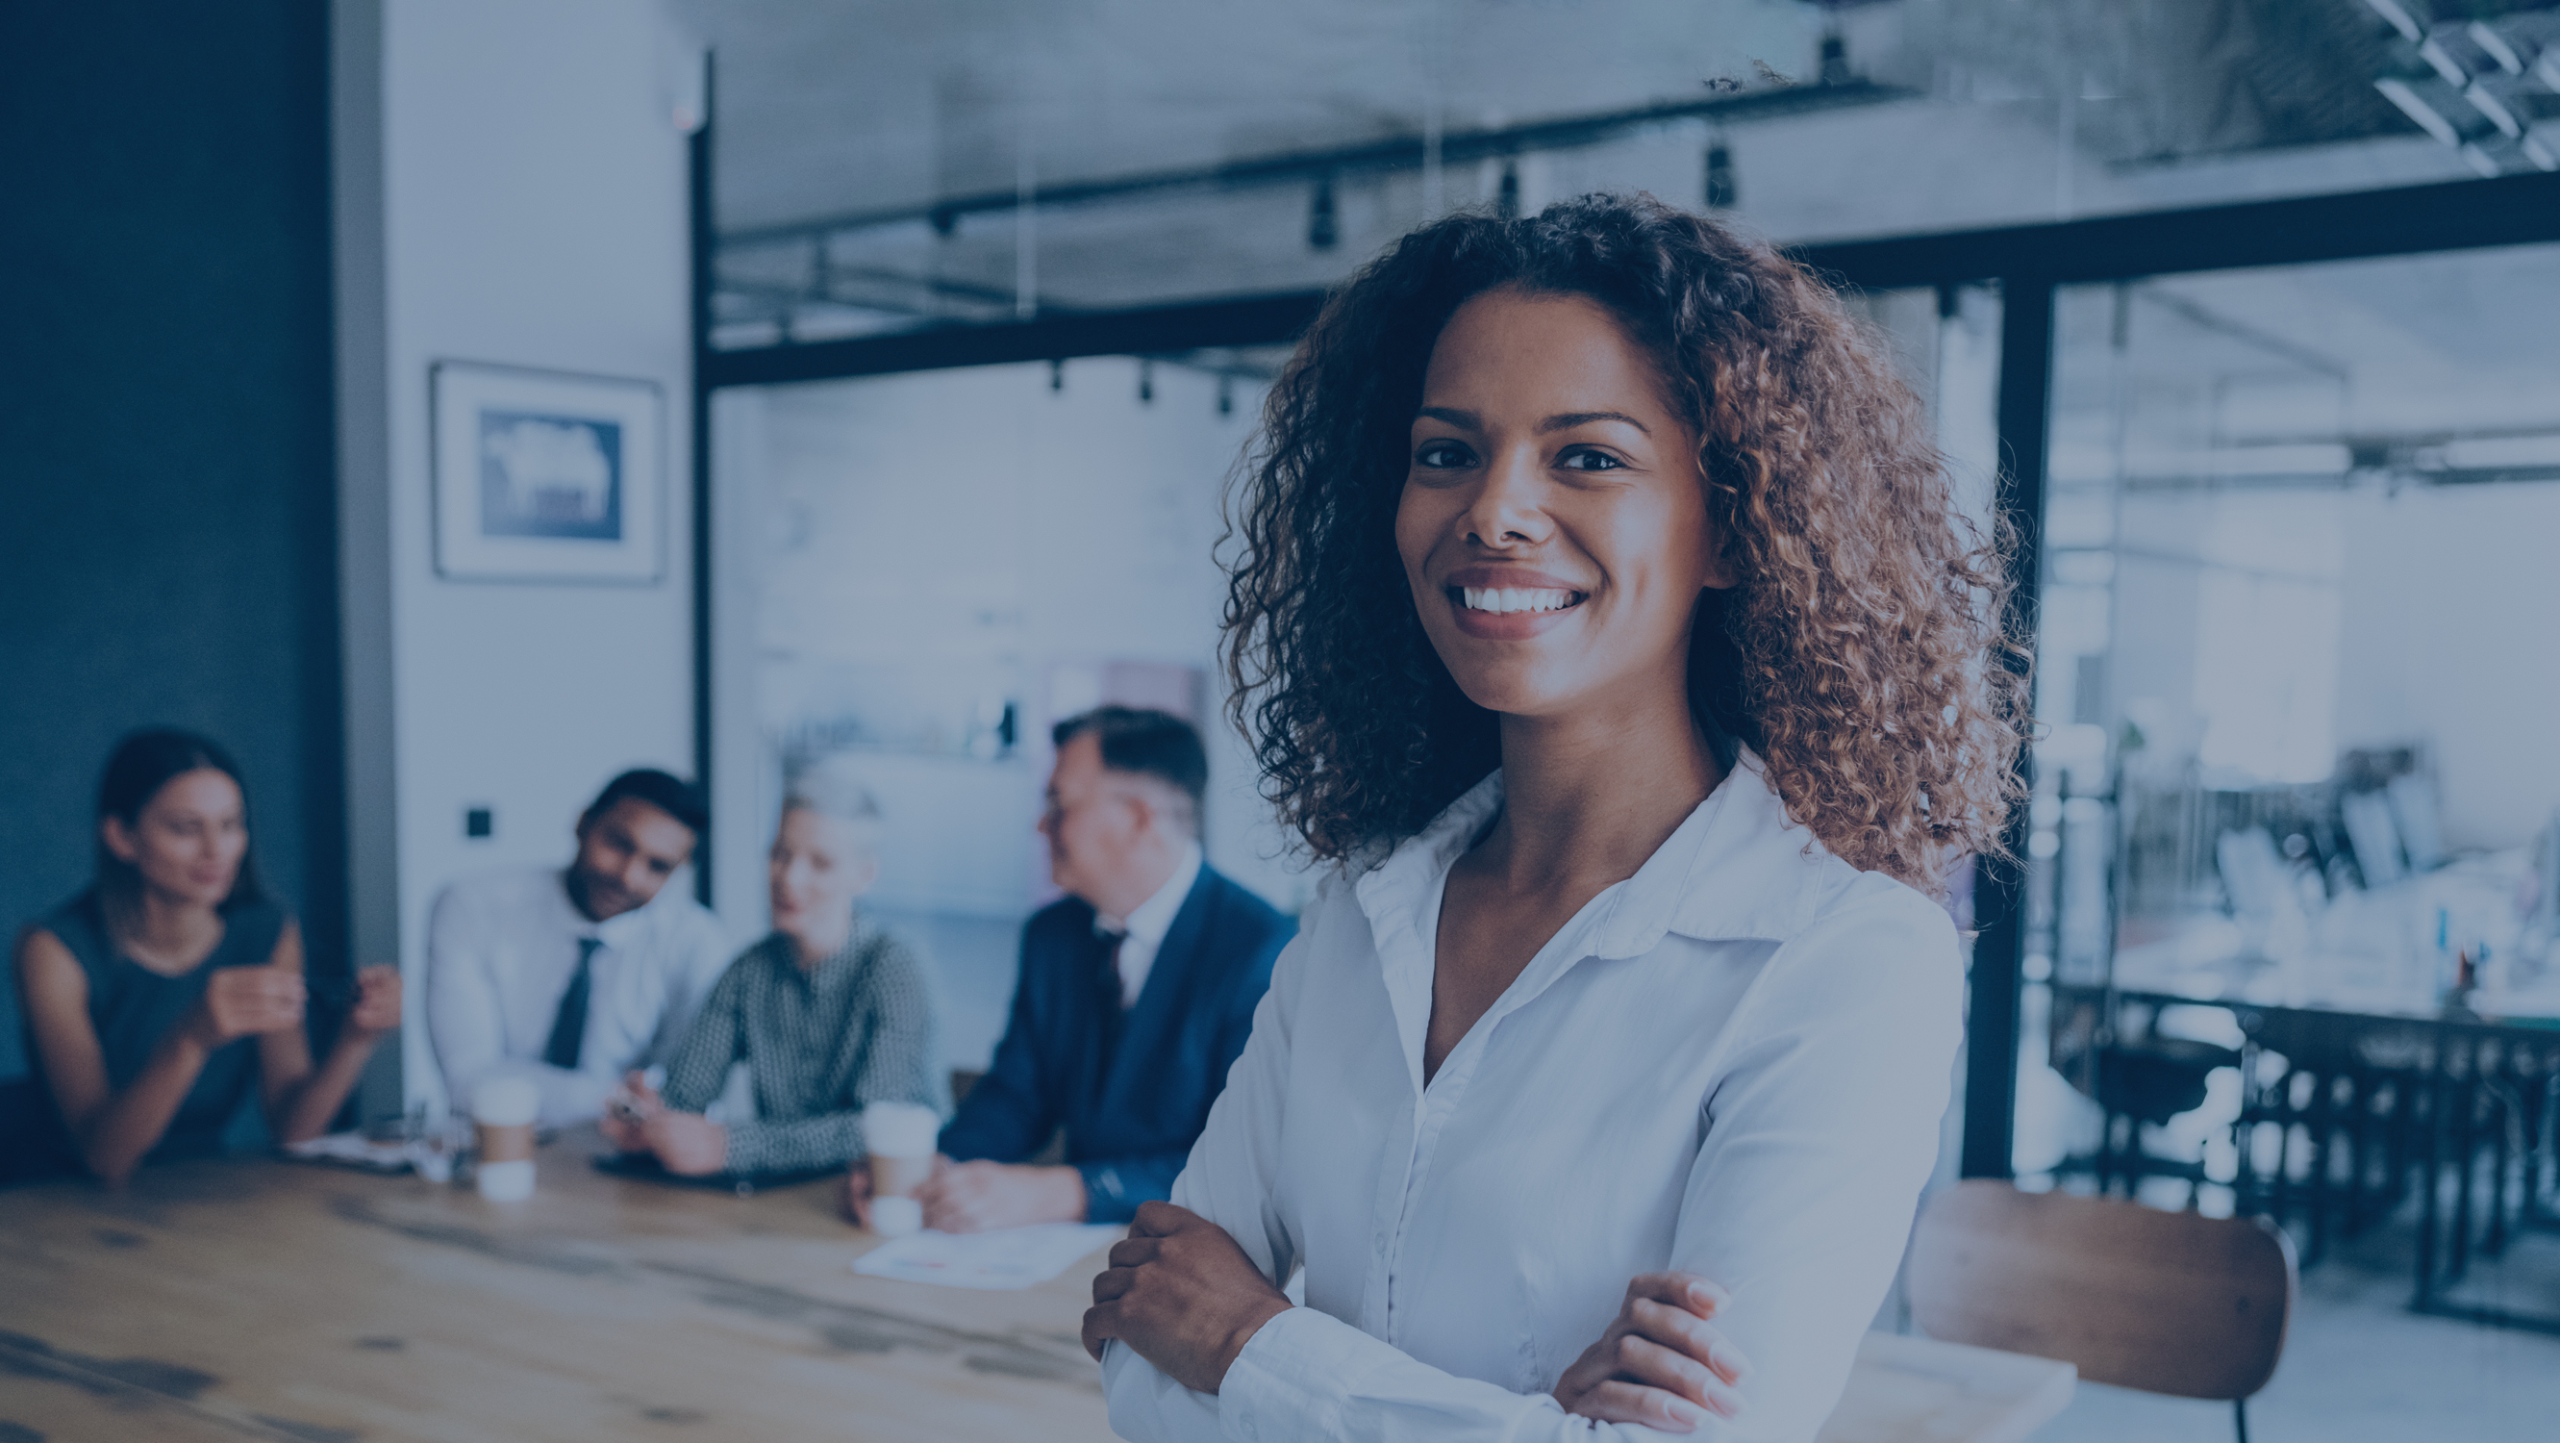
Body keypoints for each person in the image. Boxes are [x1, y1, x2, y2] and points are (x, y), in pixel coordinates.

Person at [1083, 194, 2030, 1442]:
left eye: (1586, 455)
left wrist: (1250, 1345)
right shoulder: (1365, 906)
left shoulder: (1842, 959)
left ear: (1733, 530)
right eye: (1445, 452)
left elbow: (1199, 1340)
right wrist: (1525, 1422)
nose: (1492, 510)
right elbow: (1141, 1350)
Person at [901, 707, 1293, 1232]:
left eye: (1059, 805)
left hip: (1198, 1258)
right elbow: (1017, 1096)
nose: (1041, 825)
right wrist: (939, 1168)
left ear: (1138, 818)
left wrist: (1065, 1190)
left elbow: (1246, 1163)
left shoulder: (1261, 951)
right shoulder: (1051, 936)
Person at [11, 730, 401, 1185]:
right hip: (55, 1204)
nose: (216, 850)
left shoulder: (266, 931)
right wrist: (189, 1039)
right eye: (185, 828)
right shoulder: (52, 951)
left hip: (199, 1193)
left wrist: (357, 1038)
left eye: (231, 824)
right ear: (122, 837)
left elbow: (294, 1132)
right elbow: (105, 1159)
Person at [603, 770, 943, 1177]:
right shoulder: (749, 971)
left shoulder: (896, 967)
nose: (789, 878)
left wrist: (730, 1145)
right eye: (781, 853)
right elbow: (684, 1094)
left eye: (820, 863)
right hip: (786, 1205)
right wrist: (653, 1121)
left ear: (864, 875)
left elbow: (875, 1127)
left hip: (888, 1199)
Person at [425, 769, 729, 1128]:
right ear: (583, 823)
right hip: (497, 1148)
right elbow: (469, 1079)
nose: (629, 876)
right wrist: (615, 1098)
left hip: (629, 1159)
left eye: (658, 866)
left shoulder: (695, 940)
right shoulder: (472, 906)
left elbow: (686, 1090)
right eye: (619, 844)